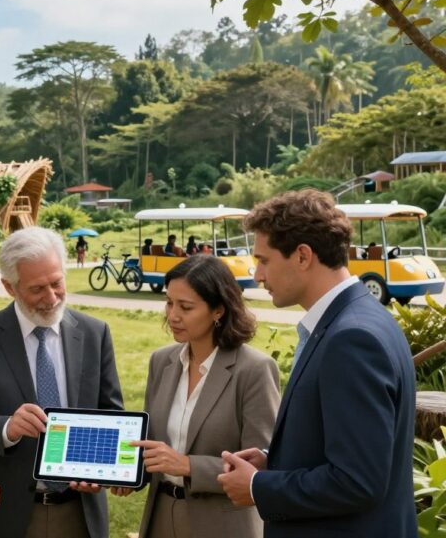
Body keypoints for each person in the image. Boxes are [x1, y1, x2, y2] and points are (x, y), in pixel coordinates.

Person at [217, 190, 416, 537]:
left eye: (263, 260)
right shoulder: (361, 319)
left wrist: (258, 486)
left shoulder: (351, 339)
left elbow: (358, 481)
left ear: (303, 256)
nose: (258, 275)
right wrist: (275, 462)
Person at [0, 227, 124, 538]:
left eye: (57, 283)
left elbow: (111, 416)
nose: (52, 297)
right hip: (8, 515)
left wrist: (102, 469)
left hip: (80, 513)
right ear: (9, 287)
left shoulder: (95, 333)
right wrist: (7, 428)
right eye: (37, 289)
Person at [113, 255, 280, 538]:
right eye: (169, 302)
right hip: (161, 517)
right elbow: (154, 445)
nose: (173, 315)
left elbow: (262, 467)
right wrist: (130, 476)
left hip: (222, 525)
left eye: (185, 307)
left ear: (218, 310)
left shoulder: (254, 370)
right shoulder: (161, 361)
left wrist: (189, 466)